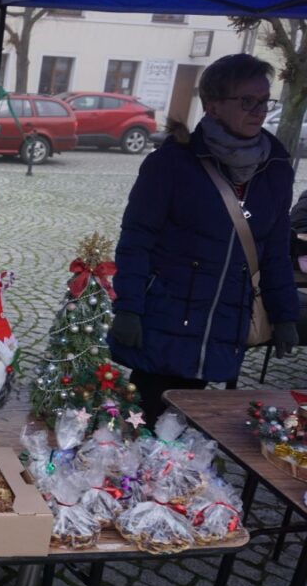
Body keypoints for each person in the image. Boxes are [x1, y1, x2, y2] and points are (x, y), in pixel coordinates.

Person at [109, 53, 299, 427]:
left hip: (226, 319)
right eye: (247, 100)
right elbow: (136, 238)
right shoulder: (173, 162)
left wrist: (285, 314)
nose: (259, 110)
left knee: (194, 424)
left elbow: (275, 249)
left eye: (264, 100)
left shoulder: (275, 166)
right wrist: (129, 307)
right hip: (166, 314)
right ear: (212, 105)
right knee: (147, 415)